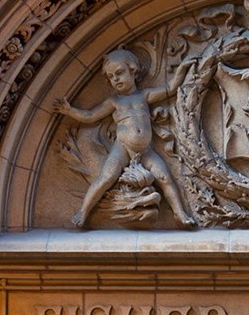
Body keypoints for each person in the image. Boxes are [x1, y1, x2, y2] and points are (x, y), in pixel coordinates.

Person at [55, 49, 196, 229]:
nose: (116, 79)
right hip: (122, 148)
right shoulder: (114, 102)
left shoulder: (144, 96)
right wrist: (70, 111)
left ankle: (179, 213)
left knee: (165, 177)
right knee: (106, 178)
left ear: (133, 70)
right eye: (111, 76)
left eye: (120, 73)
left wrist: (183, 67)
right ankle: (83, 211)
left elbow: (170, 88)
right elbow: (91, 116)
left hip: (145, 151)